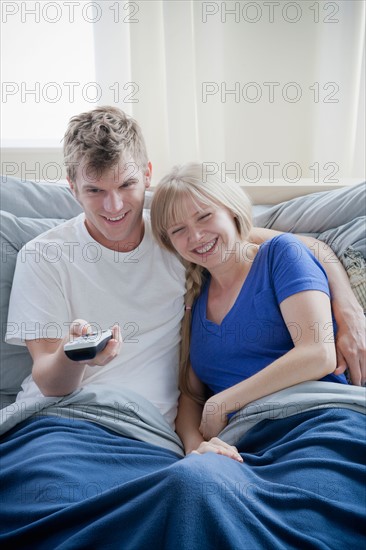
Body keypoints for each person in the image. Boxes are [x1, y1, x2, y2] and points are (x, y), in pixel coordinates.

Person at [2, 108, 365, 549]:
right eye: (95, 190)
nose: (114, 206)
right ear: (72, 185)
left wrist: (348, 311)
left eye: (127, 186)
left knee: (188, 502)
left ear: (147, 174)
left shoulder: (176, 229)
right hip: (60, 422)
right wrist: (76, 357)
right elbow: (48, 379)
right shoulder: (45, 254)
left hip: (149, 438)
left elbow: (303, 247)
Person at [150, 162, 360, 454]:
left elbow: (318, 354)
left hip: (317, 422)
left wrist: (224, 402)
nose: (196, 236)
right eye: (179, 230)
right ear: (169, 241)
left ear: (232, 210)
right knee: (191, 485)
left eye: (205, 216)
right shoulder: (193, 297)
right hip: (244, 448)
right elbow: (191, 397)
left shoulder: (282, 255)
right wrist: (196, 451)